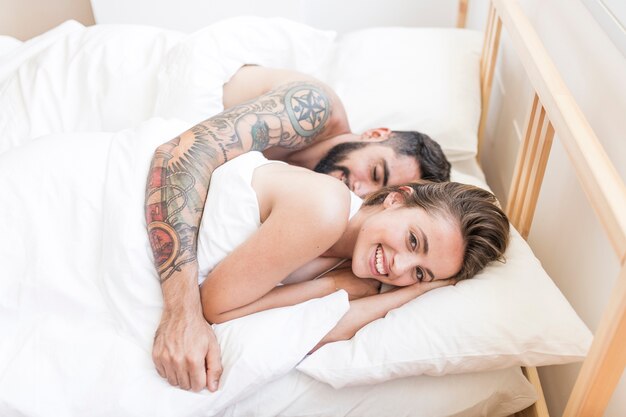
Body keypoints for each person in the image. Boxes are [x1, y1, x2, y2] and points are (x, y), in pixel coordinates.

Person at [145, 65, 452, 393]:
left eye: (371, 193)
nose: (360, 190)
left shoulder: (343, 227)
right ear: (375, 135)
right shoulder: (313, 109)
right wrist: (182, 311)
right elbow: (181, 156)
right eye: (376, 173)